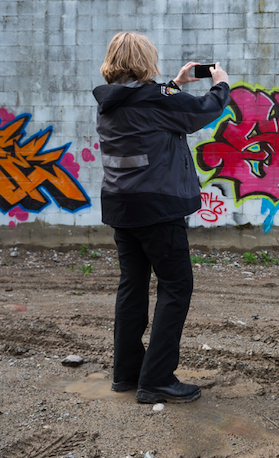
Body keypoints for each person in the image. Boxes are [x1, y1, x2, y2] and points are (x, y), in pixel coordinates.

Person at [93, 32, 230, 404]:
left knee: (132, 286)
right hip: (158, 209)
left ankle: (127, 373)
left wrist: (174, 84)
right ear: (143, 60)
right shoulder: (153, 99)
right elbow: (201, 111)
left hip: (122, 208)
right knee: (176, 286)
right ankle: (156, 380)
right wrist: (221, 85)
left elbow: (152, 112)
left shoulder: (109, 102)